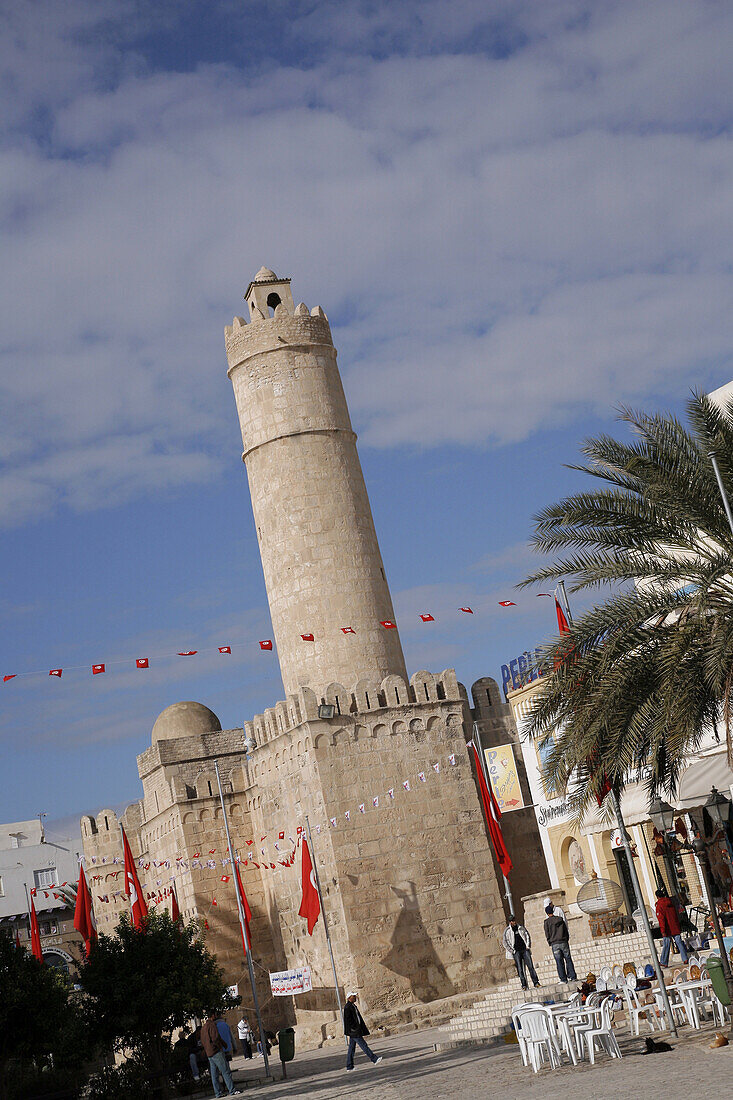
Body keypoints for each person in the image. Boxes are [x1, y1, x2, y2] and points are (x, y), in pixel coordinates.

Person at [200, 1010, 241, 1098]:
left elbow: (203, 1041)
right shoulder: (212, 1025)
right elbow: (215, 1038)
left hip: (209, 1053)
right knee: (225, 1071)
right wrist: (221, 1045)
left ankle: (218, 1093)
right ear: (213, 1015)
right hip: (216, 1051)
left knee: (214, 1074)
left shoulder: (203, 1028)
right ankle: (232, 1090)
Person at [343, 992, 383, 1072]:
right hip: (354, 1032)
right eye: (353, 996)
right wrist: (354, 1028)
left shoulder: (353, 1006)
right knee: (364, 1045)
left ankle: (349, 1066)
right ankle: (374, 1059)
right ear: (349, 998)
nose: (355, 997)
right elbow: (348, 1020)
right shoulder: (348, 1007)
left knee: (351, 1049)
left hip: (354, 1031)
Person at [502, 916, 540, 990]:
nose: (514, 922)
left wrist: (528, 946)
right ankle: (524, 985)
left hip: (524, 950)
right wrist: (512, 951)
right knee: (520, 968)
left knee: (530, 967)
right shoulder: (507, 931)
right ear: (510, 922)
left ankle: (536, 982)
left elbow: (527, 935)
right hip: (516, 952)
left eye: (514, 920)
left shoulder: (521, 927)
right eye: (512, 921)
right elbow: (505, 942)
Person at [544, 899, 577, 983]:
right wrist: (566, 938)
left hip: (554, 943)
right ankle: (573, 976)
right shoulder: (560, 919)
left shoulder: (547, 922)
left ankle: (563, 979)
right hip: (563, 941)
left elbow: (547, 933)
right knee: (568, 959)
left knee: (559, 961)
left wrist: (549, 942)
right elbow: (565, 928)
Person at [656, 888, 689, 966]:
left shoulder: (659, 905)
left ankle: (664, 961)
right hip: (675, 926)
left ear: (657, 897)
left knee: (666, 944)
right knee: (679, 942)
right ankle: (685, 958)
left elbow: (661, 919)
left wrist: (663, 930)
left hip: (667, 928)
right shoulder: (671, 902)